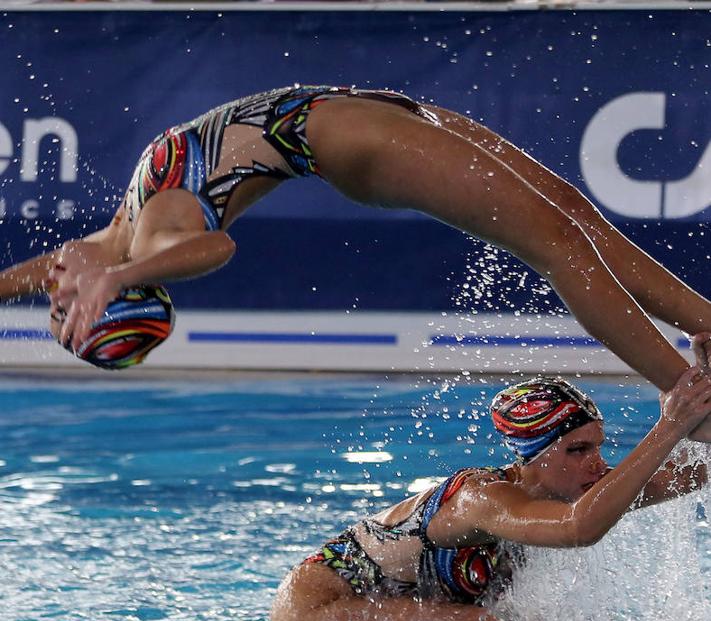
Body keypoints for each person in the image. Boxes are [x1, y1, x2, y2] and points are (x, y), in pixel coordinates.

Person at [0, 86, 709, 405]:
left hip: (363, 110)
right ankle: (687, 395)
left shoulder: (107, 240)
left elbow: (35, 273)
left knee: (570, 211)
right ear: (118, 294)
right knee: (555, 241)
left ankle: (703, 323)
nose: (56, 291)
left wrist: (68, 281)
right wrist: (122, 279)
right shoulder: (157, 237)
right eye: (65, 309)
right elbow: (212, 252)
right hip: (351, 145)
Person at [270, 371, 711, 621]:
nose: (597, 465)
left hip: (399, 608)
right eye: (577, 451)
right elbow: (580, 528)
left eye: (597, 447)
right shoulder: (480, 500)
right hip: (317, 610)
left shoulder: (568, 489)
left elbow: (685, 476)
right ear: (532, 457)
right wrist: (670, 426)